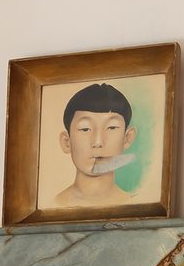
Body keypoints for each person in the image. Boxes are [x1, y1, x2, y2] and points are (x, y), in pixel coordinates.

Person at [53, 81, 137, 209]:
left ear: (127, 138)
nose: (98, 142)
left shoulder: (135, 204)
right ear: (66, 142)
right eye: (85, 129)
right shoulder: (53, 205)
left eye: (112, 127)